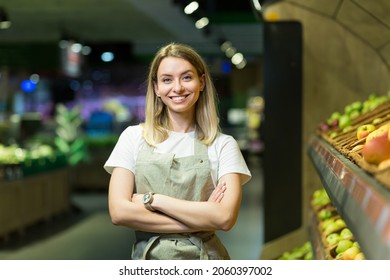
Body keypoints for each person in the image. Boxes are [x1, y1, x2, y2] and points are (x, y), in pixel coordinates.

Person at [104, 42, 251, 260]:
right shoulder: (133, 137)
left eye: (186, 77)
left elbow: (225, 218)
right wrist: (200, 217)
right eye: (167, 79)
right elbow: (119, 212)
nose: (178, 88)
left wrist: (152, 200)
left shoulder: (223, 145)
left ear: (201, 82)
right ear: (156, 88)